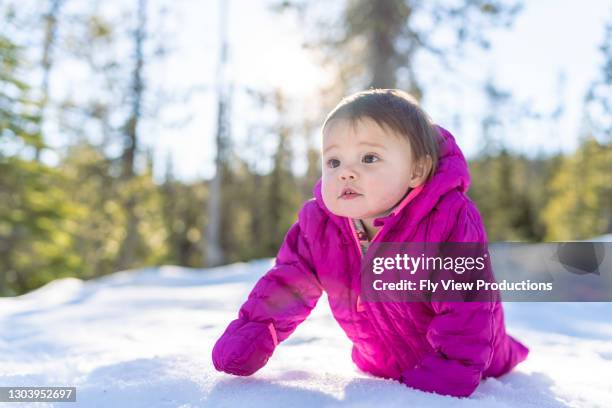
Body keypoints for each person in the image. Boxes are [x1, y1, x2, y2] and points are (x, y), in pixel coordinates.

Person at [211, 89, 528, 398]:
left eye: (369, 157)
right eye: (333, 161)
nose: (346, 172)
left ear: (416, 170)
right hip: (380, 364)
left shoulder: (447, 218)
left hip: (475, 359)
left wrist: (447, 373)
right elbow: (288, 283)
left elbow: (467, 303)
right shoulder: (318, 224)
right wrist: (253, 333)